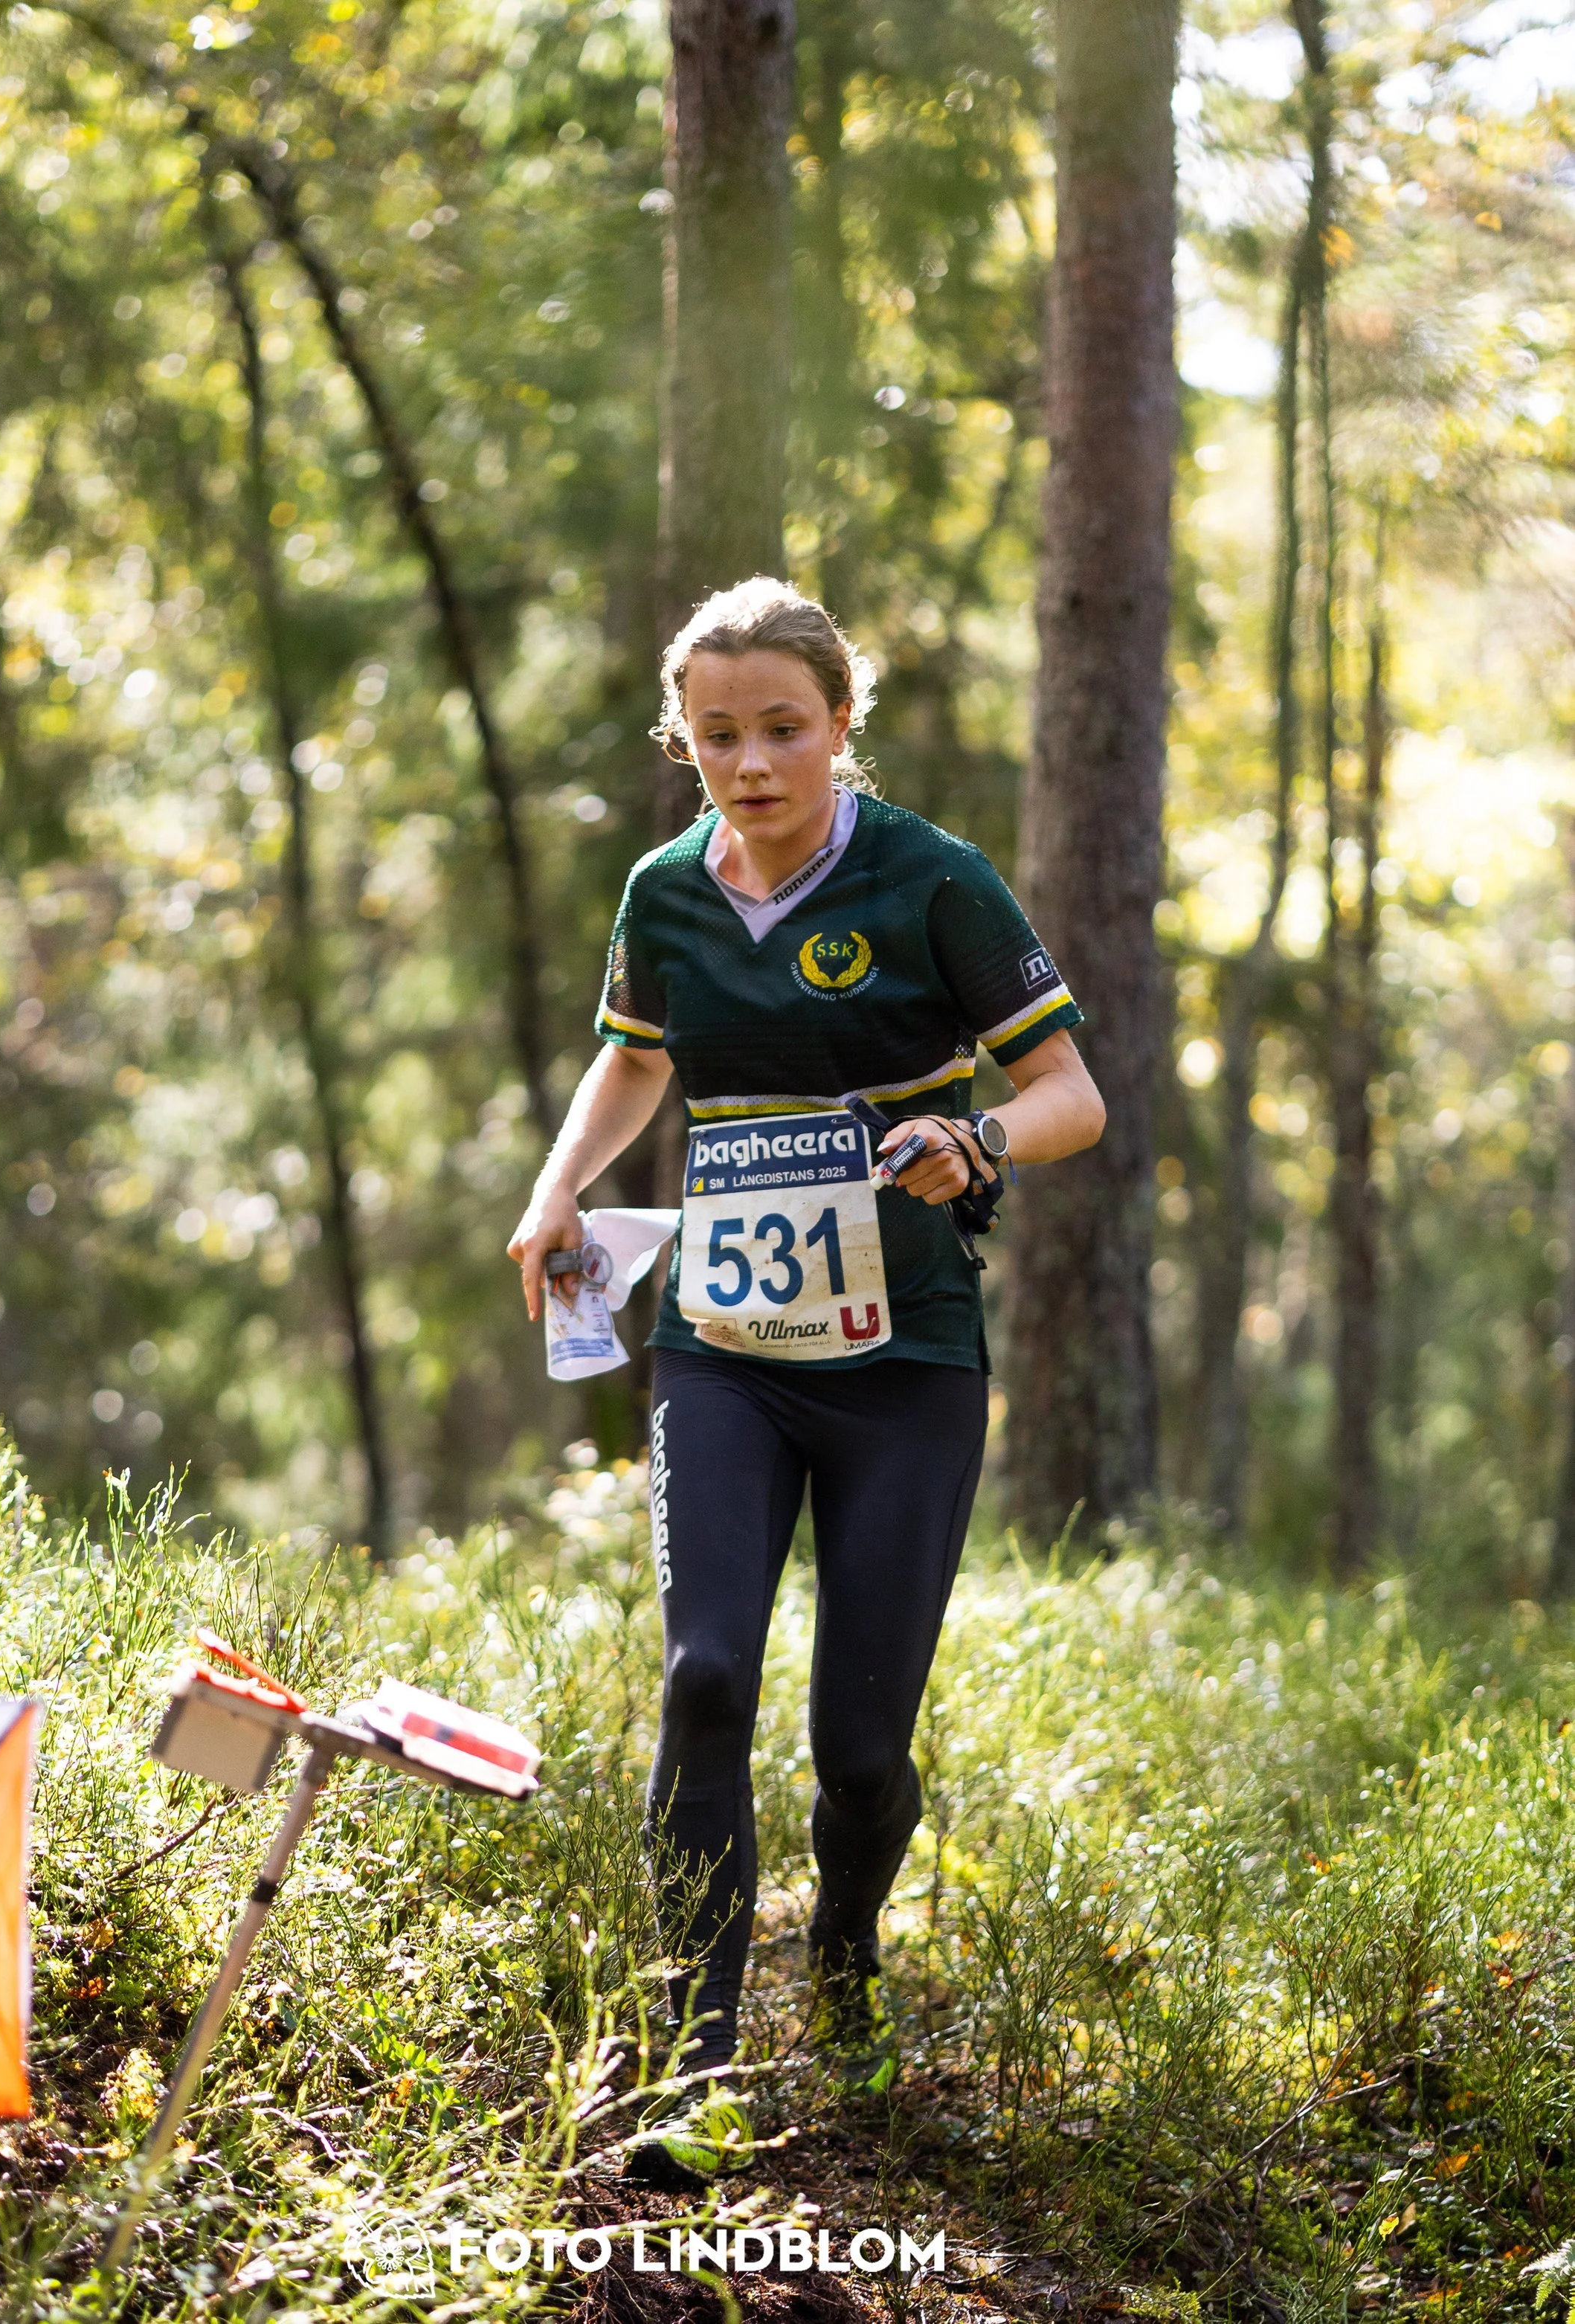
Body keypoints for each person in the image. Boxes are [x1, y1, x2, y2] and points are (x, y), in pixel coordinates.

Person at [507, 576, 1105, 2181]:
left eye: (782, 727)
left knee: (859, 1748)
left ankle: (839, 1951)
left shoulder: (930, 882)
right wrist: (559, 1183)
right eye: (717, 734)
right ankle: (686, 2070)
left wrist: (973, 1133)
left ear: (840, 723)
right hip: (722, 1350)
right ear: (681, 740)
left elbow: (1068, 1092)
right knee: (704, 1672)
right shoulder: (663, 889)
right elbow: (636, 1053)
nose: (751, 760)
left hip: (903, 1357)